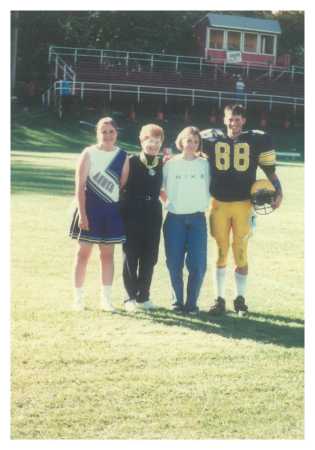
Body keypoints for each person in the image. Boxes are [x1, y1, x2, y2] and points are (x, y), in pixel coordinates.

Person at [201, 104, 283, 316]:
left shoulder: (256, 140)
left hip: (244, 205)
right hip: (218, 203)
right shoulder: (210, 138)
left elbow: (269, 170)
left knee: (240, 252)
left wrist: (279, 190)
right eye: (230, 118)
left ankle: (240, 300)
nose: (233, 123)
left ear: (244, 120)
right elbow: (187, 145)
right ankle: (219, 299)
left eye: (237, 119)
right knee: (220, 251)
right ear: (224, 119)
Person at [69, 117, 129, 312]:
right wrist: (83, 213)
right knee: (82, 254)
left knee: (107, 256)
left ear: (116, 133)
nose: (108, 135)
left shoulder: (123, 155)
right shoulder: (88, 153)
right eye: (104, 132)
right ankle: (78, 299)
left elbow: (121, 185)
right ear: (97, 133)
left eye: (111, 131)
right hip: (90, 209)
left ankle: (106, 299)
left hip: (110, 211)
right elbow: (79, 186)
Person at [162, 126, 210, 314]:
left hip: (197, 219)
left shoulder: (204, 164)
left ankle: (191, 303)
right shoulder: (170, 164)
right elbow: (159, 187)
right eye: (189, 140)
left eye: (196, 142)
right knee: (174, 263)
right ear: (181, 141)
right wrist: (168, 203)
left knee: (198, 264)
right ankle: (176, 302)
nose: (192, 144)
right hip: (175, 219)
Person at [121, 124, 164, 312]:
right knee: (131, 255)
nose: (152, 145)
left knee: (150, 256)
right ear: (141, 141)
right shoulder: (130, 161)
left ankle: (143, 296)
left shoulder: (163, 163)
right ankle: (130, 297)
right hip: (132, 211)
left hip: (153, 212)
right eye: (149, 141)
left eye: (157, 141)